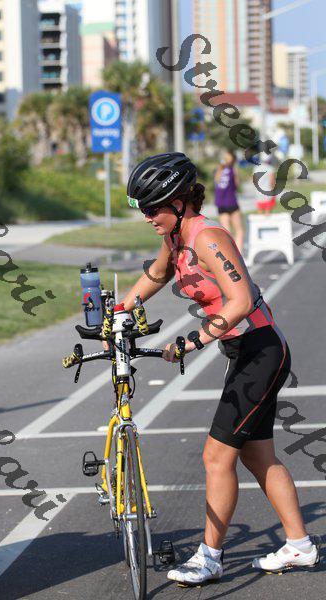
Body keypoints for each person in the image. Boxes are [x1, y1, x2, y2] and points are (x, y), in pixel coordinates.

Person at [120, 152, 320, 586]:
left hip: (261, 352)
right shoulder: (176, 238)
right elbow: (157, 275)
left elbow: (241, 300)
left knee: (216, 456)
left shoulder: (208, 237)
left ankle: (209, 558)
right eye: (142, 209)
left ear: (178, 202)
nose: (147, 217)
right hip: (245, 352)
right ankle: (299, 544)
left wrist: (193, 340)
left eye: (152, 208)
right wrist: (119, 311)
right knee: (256, 454)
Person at [214, 150, 245, 253]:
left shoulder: (219, 169)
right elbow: (237, 185)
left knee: (226, 231)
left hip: (221, 203)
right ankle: (239, 253)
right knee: (239, 230)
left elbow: (216, 182)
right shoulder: (233, 169)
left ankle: (229, 253)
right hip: (231, 202)